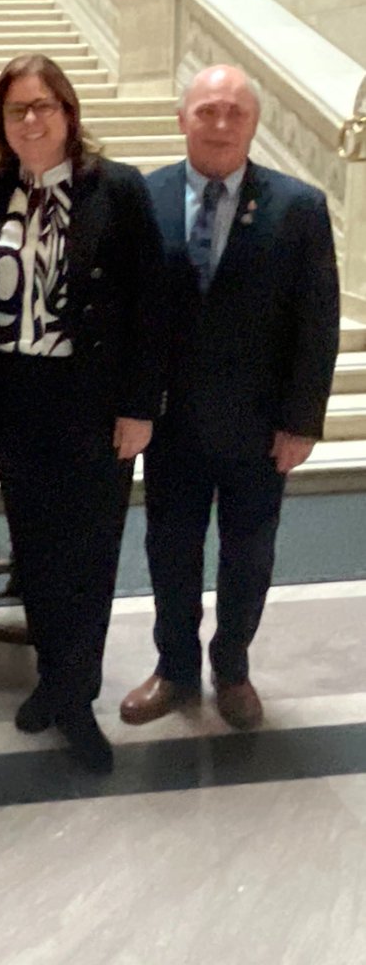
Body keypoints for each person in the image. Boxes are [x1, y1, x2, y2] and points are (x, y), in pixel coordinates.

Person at [0, 54, 165, 774]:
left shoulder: (117, 189)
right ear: (1, 122)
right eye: (17, 109)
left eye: (44, 105)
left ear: (69, 112)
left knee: (89, 555)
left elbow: (150, 305)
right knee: (36, 551)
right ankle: (52, 678)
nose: (31, 119)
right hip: (17, 399)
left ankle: (78, 699)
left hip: (93, 402)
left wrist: (139, 408)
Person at [120, 65, 339, 732]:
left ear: (254, 123)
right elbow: (127, 314)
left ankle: (233, 668)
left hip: (259, 427)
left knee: (249, 553)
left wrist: (302, 421)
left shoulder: (299, 207)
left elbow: (317, 323)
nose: (220, 124)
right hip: (172, 423)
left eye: (235, 113)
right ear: (182, 118)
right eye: (207, 110)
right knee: (170, 549)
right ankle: (175, 668)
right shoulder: (143, 197)